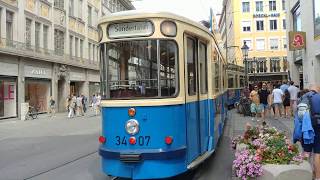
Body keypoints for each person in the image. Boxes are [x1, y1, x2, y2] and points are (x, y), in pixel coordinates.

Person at [298, 85, 320, 180]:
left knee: (306, 152)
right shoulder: (318, 97)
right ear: (318, 89)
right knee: (317, 153)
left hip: (306, 128)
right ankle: (318, 177)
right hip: (318, 126)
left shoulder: (303, 97)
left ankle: (305, 175)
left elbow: (298, 116)